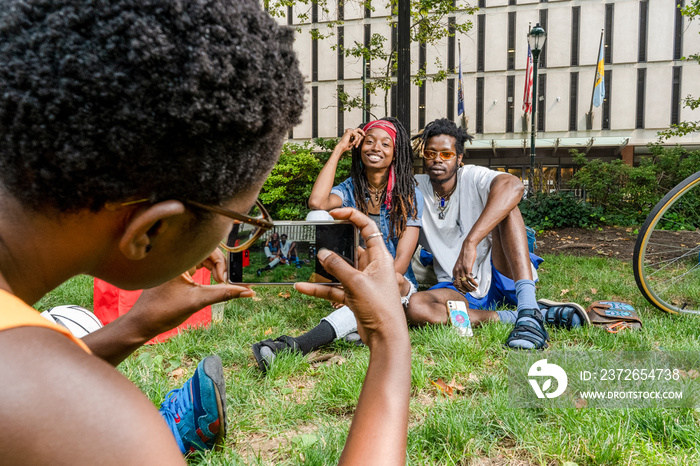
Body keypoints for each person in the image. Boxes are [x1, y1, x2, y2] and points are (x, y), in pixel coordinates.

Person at [0, 1, 411, 464]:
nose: (237, 232)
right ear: (152, 229)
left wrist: (135, 326)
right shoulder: (116, 433)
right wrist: (391, 343)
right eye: (242, 215)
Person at [253, 118, 423, 371]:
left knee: (387, 286)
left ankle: (295, 345)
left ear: (395, 153)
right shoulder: (351, 188)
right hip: (354, 276)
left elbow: (400, 264)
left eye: (386, 144)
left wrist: (359, 288)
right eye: (369, 141)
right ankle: (355, 327)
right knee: (317, 218)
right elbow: (317, 202)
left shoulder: (409, 193)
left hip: (398, 285)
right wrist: (339, 148)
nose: (376, 148)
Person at [405, 119, 588, 349]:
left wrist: (470, 243)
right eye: (431, 153)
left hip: (500, 272)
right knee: (415, 307)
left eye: (446, 154)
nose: (437, 159)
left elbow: (513, 186)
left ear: (459, 158)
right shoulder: (414, 188)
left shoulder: (471, 177)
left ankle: (528, 309)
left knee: (507, 206)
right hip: (459, 286)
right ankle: (513, 316)